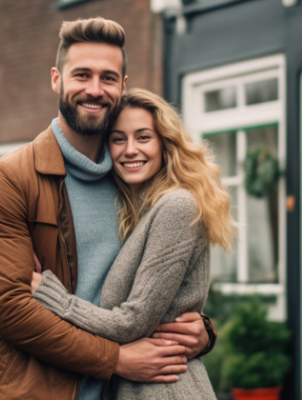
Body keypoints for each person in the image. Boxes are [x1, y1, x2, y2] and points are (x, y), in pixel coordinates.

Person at [0, 18, 216, 400]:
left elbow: (156, 290)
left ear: (123, 87)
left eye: (108, 78)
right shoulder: (9, 179)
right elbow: (8, 309)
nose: (95, 90)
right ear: (56, 79)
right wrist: (115, 359)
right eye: (82, 75)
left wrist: (201, 332)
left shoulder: (136, 185)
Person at [32, 88, 234, 399]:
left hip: (167, 390)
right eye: (118, 139)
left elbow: (132, 322)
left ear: (164, 143)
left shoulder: (176, 207)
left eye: (143, 137)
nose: (130, 150)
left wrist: (50, 294)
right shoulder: (141, 211)